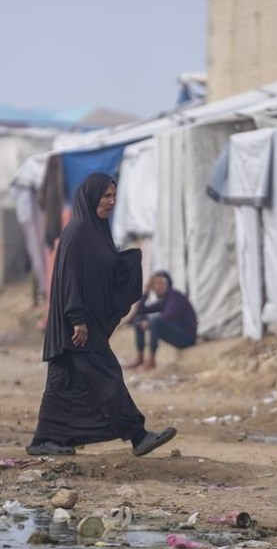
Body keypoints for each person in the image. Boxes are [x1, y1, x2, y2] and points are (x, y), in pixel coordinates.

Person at [27, 173, 177, 457]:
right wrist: (77, 318)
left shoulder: (97, 230)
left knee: (63, 384)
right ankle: (137, 435)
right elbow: (70, 277)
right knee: (107, 374)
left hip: (82, 322)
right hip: (77, 325)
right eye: (106, 195)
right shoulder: (78, 231)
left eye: (113, 196)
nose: (111, 201)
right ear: (90, 196)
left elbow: (100, 272)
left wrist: (128, 265)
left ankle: (48, 439)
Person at [125, 271, 197, 370]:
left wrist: (148, 323)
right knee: (139, 319)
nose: (157, 287)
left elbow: (169, 316)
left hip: (186, 339)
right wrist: (146, 292)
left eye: (160, 283)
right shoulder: (164, 300)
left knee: (155, 321)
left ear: (168, 284)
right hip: (177, 335)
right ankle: (140, 358)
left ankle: (151, 361)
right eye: (155, 284)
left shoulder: (175, 296)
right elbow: (141, 310)